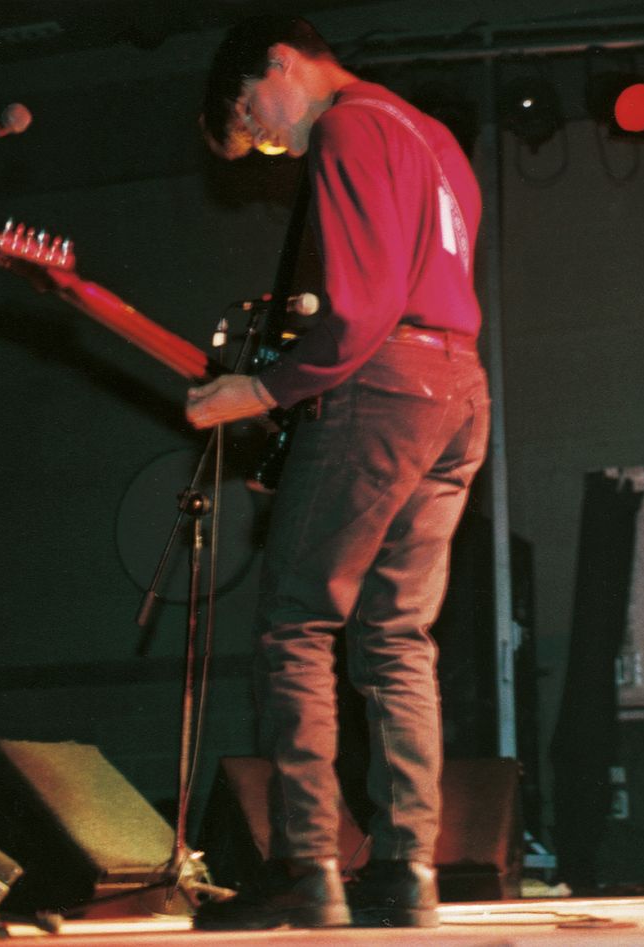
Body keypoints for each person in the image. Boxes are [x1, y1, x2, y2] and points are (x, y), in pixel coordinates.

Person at [186, 15, 488, 929]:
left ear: (280, 62)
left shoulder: (348, 125)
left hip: (382, 384)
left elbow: (357, 314)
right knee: (396, 636)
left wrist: (266, 391)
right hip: (459, 385)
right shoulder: (434, 136)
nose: (269, 140)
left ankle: (308, 866)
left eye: (254, 111)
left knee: (296, 624)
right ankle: (405, 871)